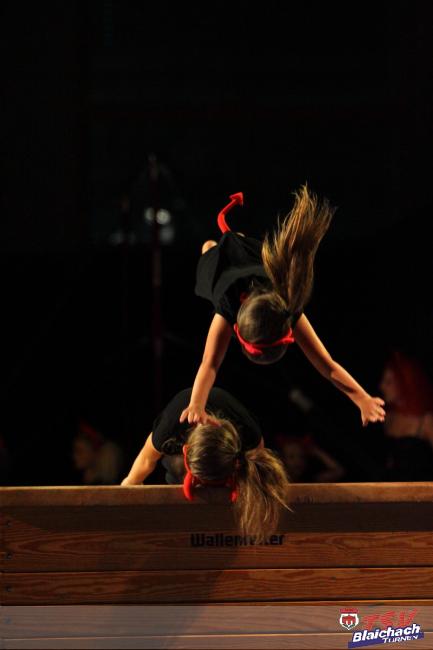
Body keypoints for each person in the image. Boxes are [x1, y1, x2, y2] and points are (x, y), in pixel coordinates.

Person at [180, 185, 386, 428]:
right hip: (228, 270)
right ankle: (219, 245)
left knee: (235, 241)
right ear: (236, 331)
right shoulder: (229, 303)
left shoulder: (285, 309)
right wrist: (196, 403)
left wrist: (362, 398)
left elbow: (328, 365)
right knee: (210, 249)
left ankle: (235, 241)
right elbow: (210, 363)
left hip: (253, 266)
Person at [121, 387, 292, 543]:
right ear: (186, 451)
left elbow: (256, 472)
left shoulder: (249, 434)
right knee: (176, 467)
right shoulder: (170, 427)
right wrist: (128, 487)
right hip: (184, 453)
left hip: (229, 459)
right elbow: (146, 460)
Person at [379, 351, 433, 480]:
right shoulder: (387, 417)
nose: (381, 386)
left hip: (421, 488)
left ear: (403, 383)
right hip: (390, 488)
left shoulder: (425, 420)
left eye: (389, 382)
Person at [275, 433, 346, 482]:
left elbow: (338, 471)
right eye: (291, 457)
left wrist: (316, 451)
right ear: (283, 459)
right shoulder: (278, 481)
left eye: (302, 456)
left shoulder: (311, 480)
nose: (298, 461)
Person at [72, 421, 124, 485]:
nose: (74, 456)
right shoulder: (80, 478)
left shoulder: (103, 483)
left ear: (94, 451)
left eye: (79, 451)